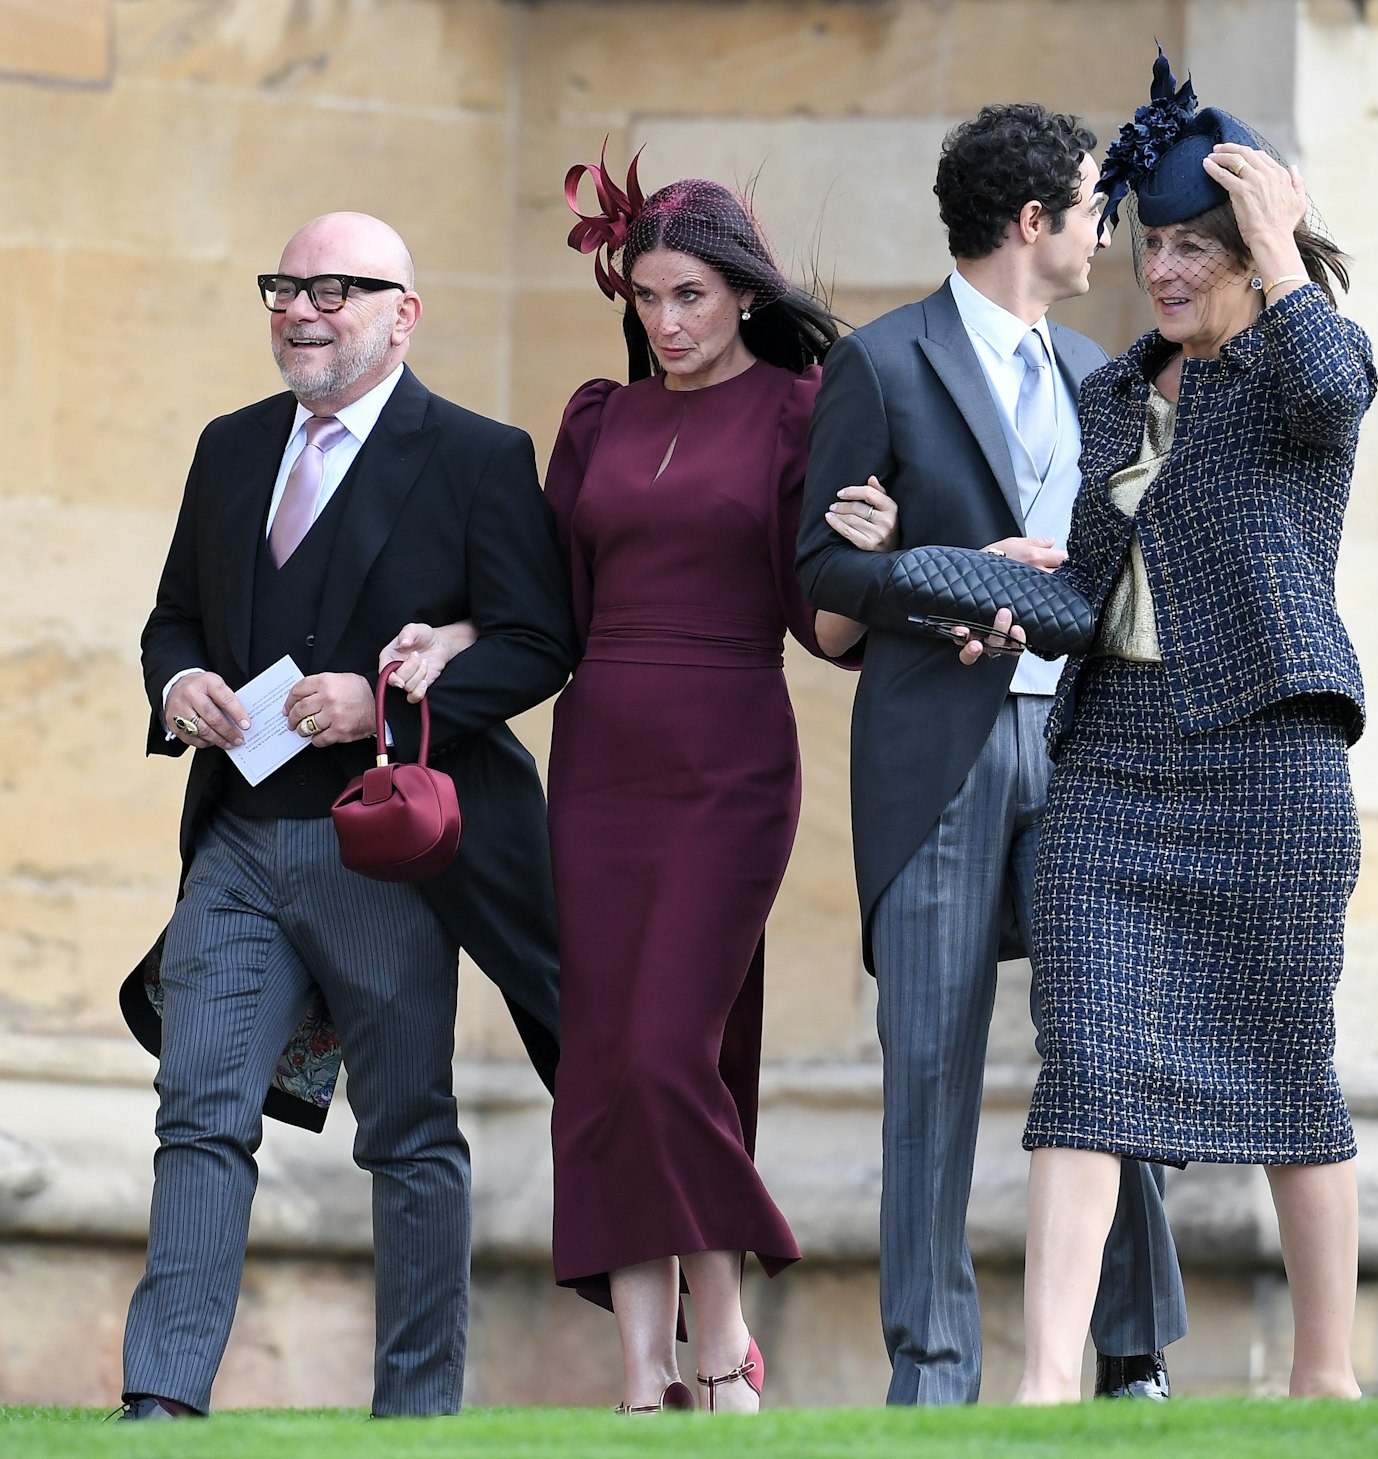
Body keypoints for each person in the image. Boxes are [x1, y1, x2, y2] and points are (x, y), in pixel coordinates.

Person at [393, 149, 896, 1414]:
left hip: (731, 755)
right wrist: (459, 638)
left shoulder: (799, 407)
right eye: (648, 300)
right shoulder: (596, 421)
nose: (666, 325)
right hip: (602, 752)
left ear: (740, 294)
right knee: (609, 1058)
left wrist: (870, 558)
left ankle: (722, 1346)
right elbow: (548, 607)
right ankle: (640, 1382)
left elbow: (817, 628)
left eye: (690, 298)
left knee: (673, 1046)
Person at [114, 211, 576, 1419]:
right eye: (286, 285)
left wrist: (380, 705)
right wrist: (180, 683)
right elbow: (173, 615)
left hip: (386, 849)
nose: (304, 307)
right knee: (197, 1110)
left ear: (402, 313)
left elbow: (538, 642)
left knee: (409, 1132)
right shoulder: (228, 447)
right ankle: (160, 1401)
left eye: (338, 287)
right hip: (235, 843)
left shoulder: (478, 455)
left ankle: (415, 1415)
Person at [796, 104, 1187, 1405]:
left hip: (1085, 748)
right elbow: (820, 573)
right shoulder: (882, 363)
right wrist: (960, 577)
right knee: (930, 1066)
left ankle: (1130, 1351)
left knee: (1104, 1037)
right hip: (937, 752)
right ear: (1035, 222)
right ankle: (933, 1369)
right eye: (1092, 207)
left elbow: (1131, 559)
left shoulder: (1099, 371)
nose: (1105, 232)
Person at [1008, 51, 1377, 1403]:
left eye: (1194, 245)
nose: (1164, 267)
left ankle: (1326, 1376)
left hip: (1270, 761)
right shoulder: (1114, 391)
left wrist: (1276, 238)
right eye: (1154, 240)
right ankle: (1048, 1385)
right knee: (1087, 1058)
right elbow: (1089, 584)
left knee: (1292, 1060)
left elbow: (1336, 389)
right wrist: (993, 582)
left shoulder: (1305, 369)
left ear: (1248, 248)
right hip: (1114, 760)